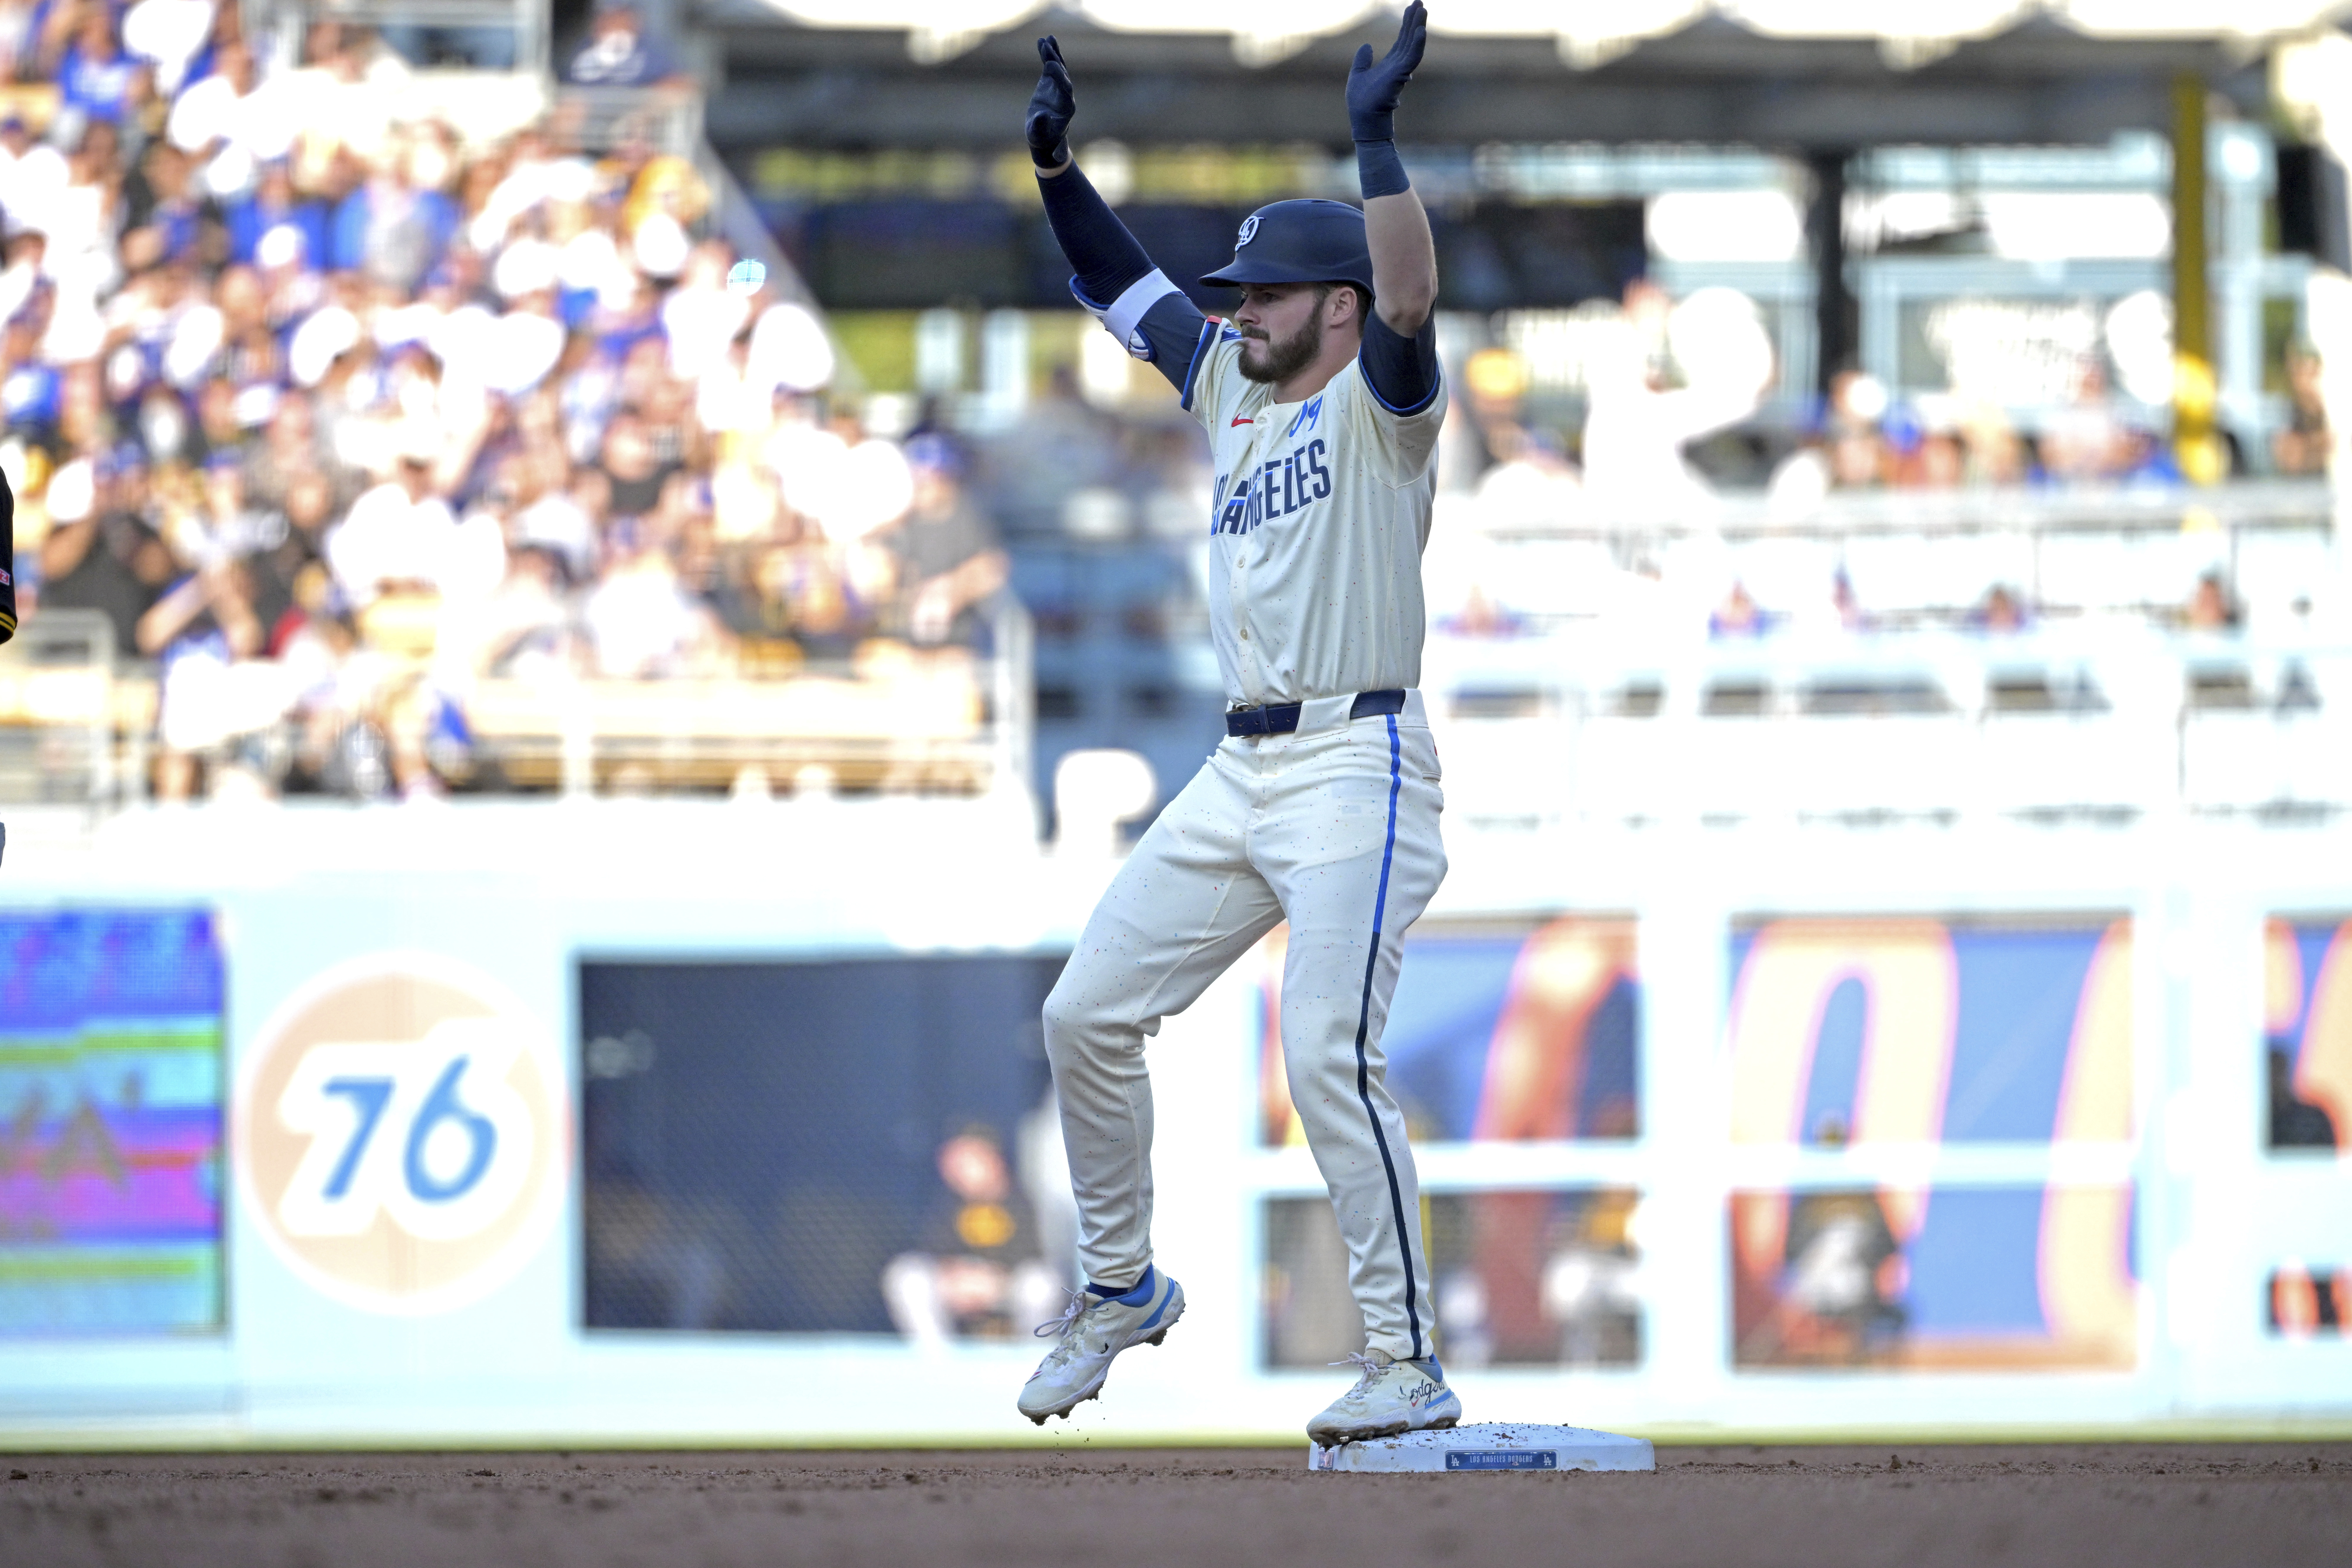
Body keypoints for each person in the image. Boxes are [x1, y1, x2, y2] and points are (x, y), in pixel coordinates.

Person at [1016, 8, 1460, 1447]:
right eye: (1242, 295)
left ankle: (1402, 1358)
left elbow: (1407, 299)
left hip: (1355, 758)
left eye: (1267, 294)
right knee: (1084, 1012)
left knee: (1323, 1049)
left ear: (1327, 305)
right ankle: (1118, 1285)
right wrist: (1059, 176)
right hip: (1239, 767)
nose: (1240, 311)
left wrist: (1377, 144)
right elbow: (1125, 292)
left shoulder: (1381, 407)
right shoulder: (1233, 393)